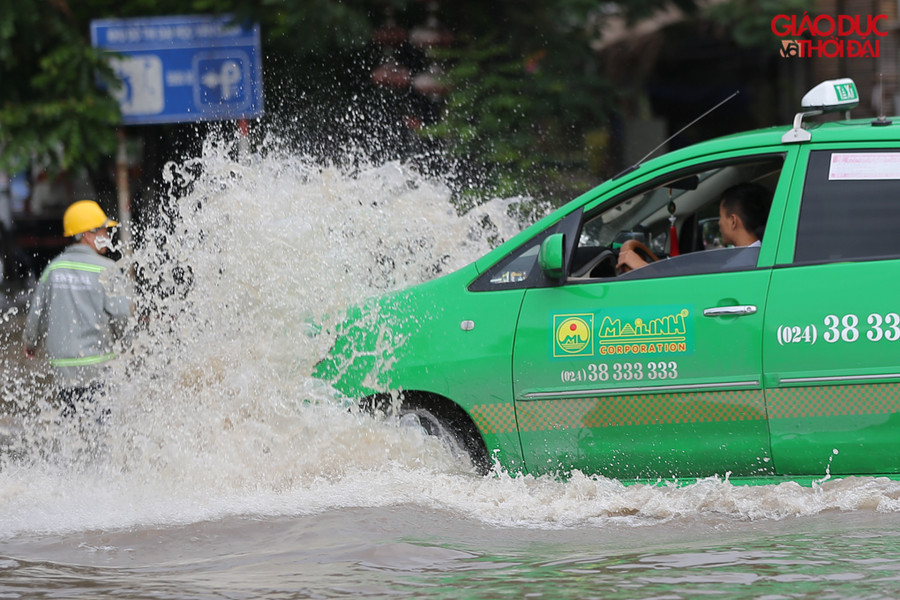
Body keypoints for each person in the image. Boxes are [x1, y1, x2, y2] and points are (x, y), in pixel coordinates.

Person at [23, 200, 132, 417]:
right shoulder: (107, 269)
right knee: (101, 425)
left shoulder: (53, 269)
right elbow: (121, 314)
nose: (107, 236)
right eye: (102, 230)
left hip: (62, 366)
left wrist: (31, 343)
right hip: (97, 365)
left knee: (72, 425)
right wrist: (126, 344)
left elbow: (37, 313)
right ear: (87, 235)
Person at [616, 182, 771, 271]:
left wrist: (642, 267)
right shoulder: (757, 256)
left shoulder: (744, 265)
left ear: (733, 221)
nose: (719, 223)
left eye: (721, 216)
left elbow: (693, 295)